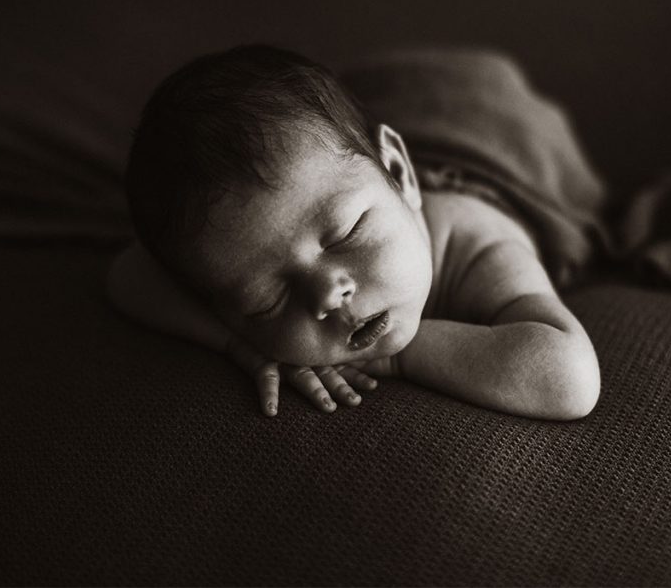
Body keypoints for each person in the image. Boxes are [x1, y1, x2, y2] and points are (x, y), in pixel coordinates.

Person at [107, 45, 600, 420]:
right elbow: (128, 274)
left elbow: (569, 380)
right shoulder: (235, 250)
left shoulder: (478, 245)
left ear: (401, 176)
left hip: (487, 129)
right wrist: (237, 343)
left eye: (347, 232)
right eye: (265, 300)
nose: (327, 293)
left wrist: (401, 359)